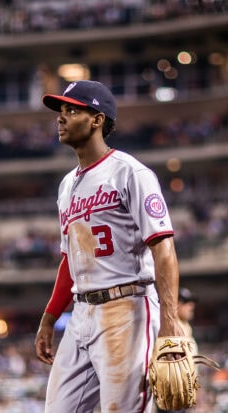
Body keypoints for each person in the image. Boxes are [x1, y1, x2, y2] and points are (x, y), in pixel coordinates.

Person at [34, 80, 185, 413]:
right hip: (81, 313)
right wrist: (49, 319)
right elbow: (69, 261)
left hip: (127, 307)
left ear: (97, 119)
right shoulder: (66, 185)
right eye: (61, 111)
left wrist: (171, 325)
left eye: (71, 110)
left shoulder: (130, 173)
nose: (61, 118)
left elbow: (163, 248)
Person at [156, 287, 199, 413]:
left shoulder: (185, 327)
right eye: (185, 302)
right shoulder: (169, 328)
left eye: (191, 302)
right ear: (175, 305)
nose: (191, 306)